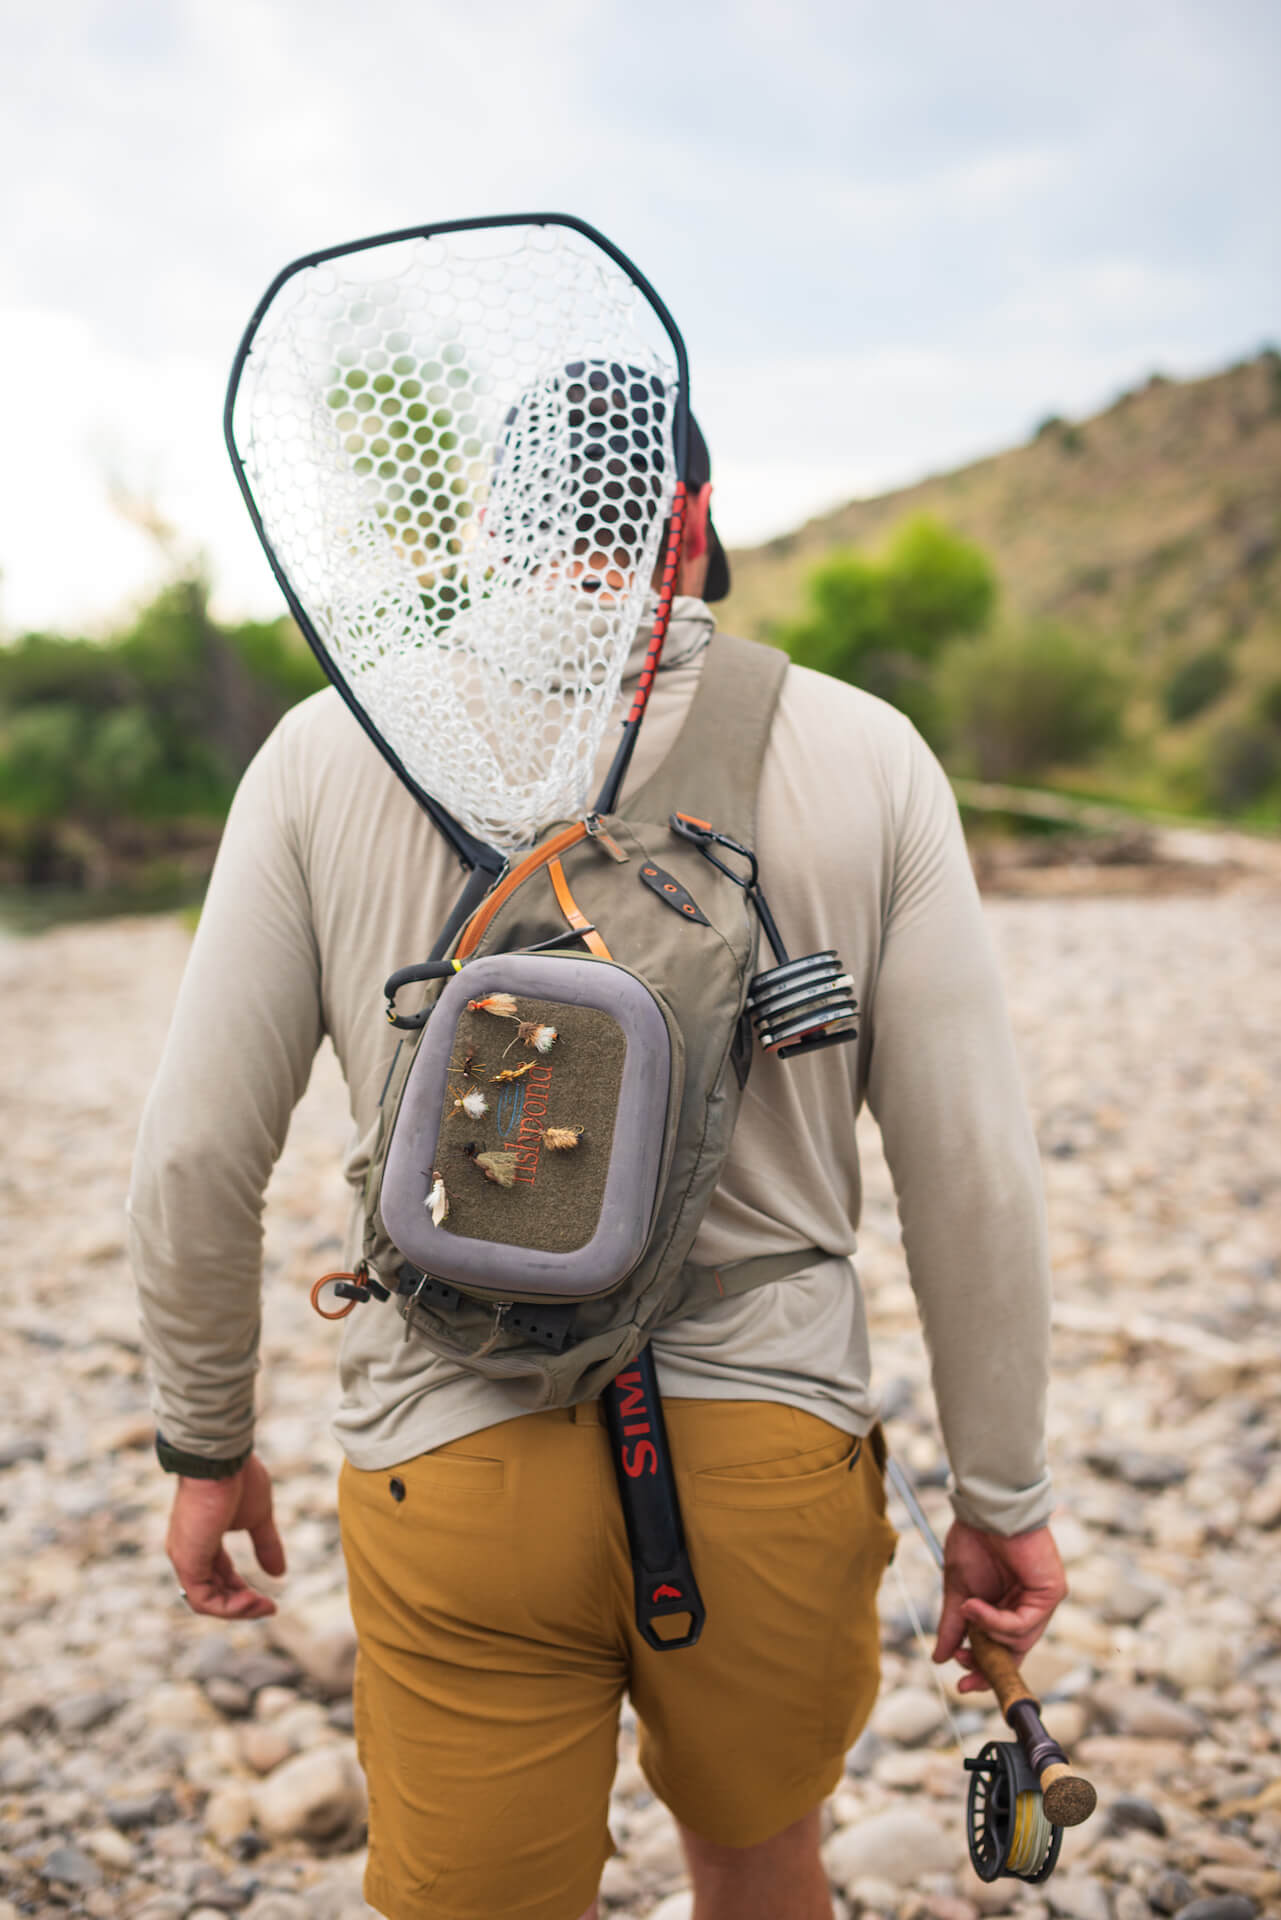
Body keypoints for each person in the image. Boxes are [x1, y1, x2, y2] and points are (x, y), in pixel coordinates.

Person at [130, 415, 1067, 1920]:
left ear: (493, 512)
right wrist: (1001, 1492)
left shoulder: (326, 746)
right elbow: (971, 1174)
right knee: (763, 1863)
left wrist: (204, 1439)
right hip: (765, 1452)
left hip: (453, 1443)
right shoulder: (863, 750)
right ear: (689, 514)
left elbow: (190, 1154)